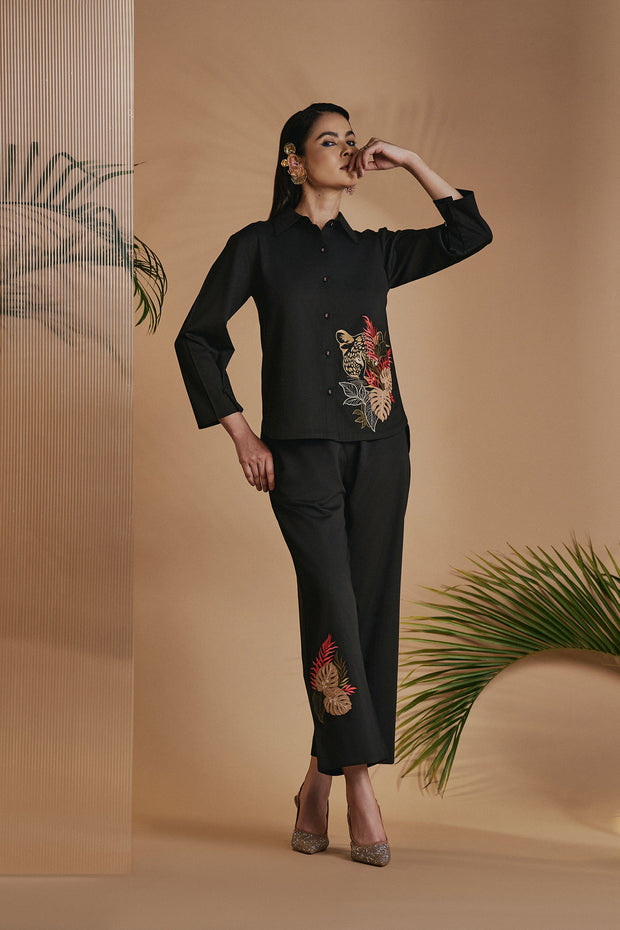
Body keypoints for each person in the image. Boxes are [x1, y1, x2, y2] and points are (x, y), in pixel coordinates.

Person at [174, 102, 493, 867]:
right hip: (299, 456)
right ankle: (359, 785)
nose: (346, 150)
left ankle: (315, 782)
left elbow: (468, 233)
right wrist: (242, 435)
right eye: (330, 140)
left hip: (382, 448)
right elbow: (197, 339)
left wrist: (409, 161)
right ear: (292, 159)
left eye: (351, 140)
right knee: (332, 603)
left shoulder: (374, 253)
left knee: (371, 607)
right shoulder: (256, 247)